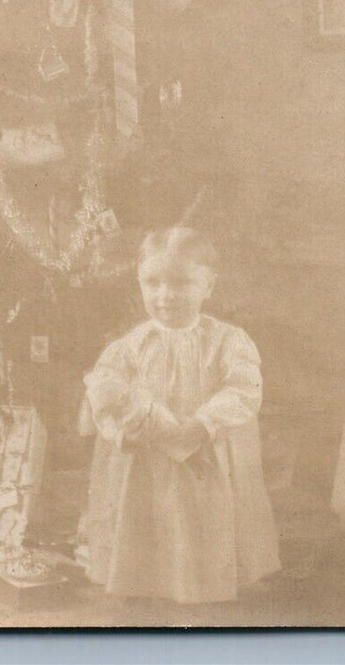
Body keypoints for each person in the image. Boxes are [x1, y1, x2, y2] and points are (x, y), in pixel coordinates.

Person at [78, 227, 281, 604]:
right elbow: (104, 397)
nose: (165, 296)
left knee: (204, 519)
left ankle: (207, 585)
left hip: (207, 453)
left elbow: (243, 388)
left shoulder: (228, 340)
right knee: (151, 516)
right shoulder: (130, 346)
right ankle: (146, 583)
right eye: (152, 283)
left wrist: (203, 423)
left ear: (208, 285)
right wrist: (122, 432)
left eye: (181, 283)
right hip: (148, 462)